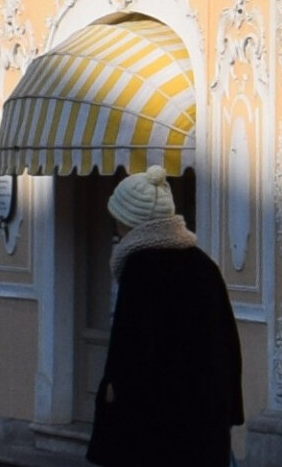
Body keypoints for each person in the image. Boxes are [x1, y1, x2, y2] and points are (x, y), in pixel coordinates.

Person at [85, 168, 241, 467]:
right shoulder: (202, 264)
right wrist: (230, 408)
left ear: (128, 221)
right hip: (204, 417)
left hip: (154, 422)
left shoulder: (141, 268)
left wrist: (116, 393)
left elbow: (132, 347)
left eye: (117, 217)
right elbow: (228, 343)